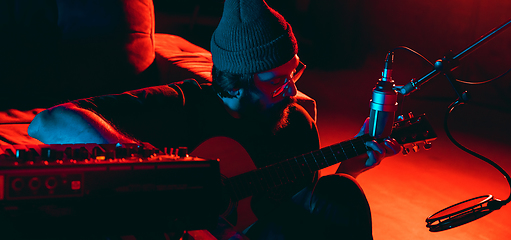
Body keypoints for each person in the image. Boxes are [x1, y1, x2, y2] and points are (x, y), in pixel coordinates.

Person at [28, 0, 401, 239]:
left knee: (342, 193)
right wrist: (146, 159)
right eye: (276, 81)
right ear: (235, 83)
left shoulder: (297, 123)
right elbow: (47, 122)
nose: (292, 91)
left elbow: (302, 206)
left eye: (294, 74)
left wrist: (350, 167)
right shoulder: (183, 104)